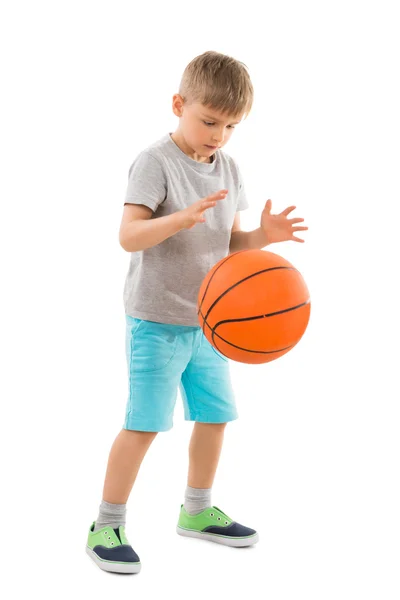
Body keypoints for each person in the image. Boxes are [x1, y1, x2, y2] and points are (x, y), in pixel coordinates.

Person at [86, 50, 308, 574]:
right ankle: (106, 522)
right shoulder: (154, 162)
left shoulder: (229, 167)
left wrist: (262, 238)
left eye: (231, 125)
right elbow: (127, 235)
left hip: (211, 323)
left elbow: (230, 244)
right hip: (157, 321)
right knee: (143, 425)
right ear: (178, 104)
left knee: (215, 418)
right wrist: (177, 220)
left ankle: (198, 511)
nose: (219, 135)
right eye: (209, 120)